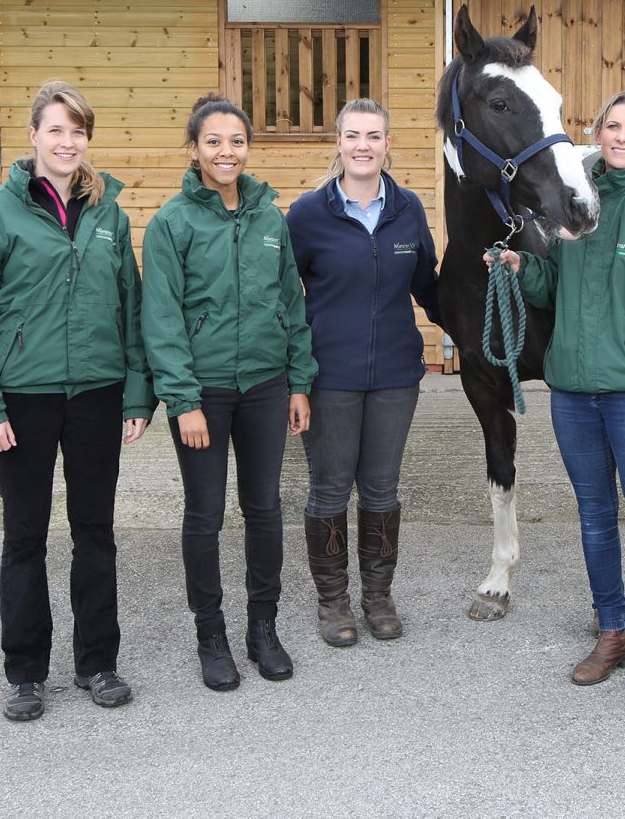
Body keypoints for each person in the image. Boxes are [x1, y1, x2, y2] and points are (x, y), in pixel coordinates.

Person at [488, 91, 625, 698]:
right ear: (598, 133)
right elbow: (556, 285)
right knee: (593, 520)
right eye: (612, 126)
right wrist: (520, 267)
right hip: (573, 392)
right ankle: (614, 632)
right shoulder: (577, 203)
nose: (621, 137)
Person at [0, 81, 154, 721]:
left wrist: (136, 394)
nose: (67, 142)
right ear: (34, 137)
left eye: (78, 132)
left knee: (95, 532)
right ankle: (25, 671)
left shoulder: (110, 216)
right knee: (25, 536)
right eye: (56, 130)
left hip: (98, 396)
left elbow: (131, 309)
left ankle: (98, 662)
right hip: (24, 397)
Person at [142, 94, 317, 691]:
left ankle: (262, 627)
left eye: (236, 141)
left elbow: (291, 303)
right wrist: (184, 400)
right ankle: (210, 634)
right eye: (213, 141)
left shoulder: (271, 219)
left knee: (264, 508)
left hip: (267, 387)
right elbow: (160, 319)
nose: (226, 152)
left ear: (248, 147)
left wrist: (299, 381)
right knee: (206, 513)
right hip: (205, 394)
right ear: (193, 150)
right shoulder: (171, 223)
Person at [286, 98, 440, 647]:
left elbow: (428, 283)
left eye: (373, 136)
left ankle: (378, 595)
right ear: (338, 141)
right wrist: (295, 379)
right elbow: (285, 300)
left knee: (381, 489)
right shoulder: (307, 215)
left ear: (387, 144)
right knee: (329, 490)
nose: (362, 146)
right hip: (330, 376)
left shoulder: (408, 209)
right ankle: (333, 601)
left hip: (396, 374)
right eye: (353, 135)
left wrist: (484, 286)